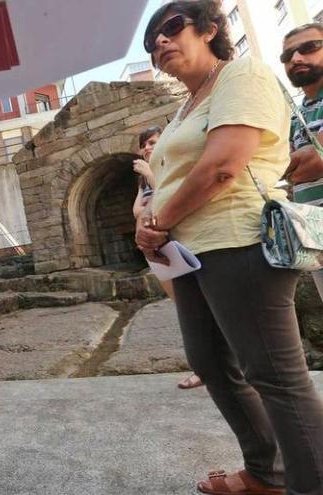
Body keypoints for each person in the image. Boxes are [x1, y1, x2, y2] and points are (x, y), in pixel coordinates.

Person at [136, 2, 323, 494]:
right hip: (192, 251)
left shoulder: (243, 74)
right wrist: (156, 226)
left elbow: (224, 165)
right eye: (151, 40)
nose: (159, 42)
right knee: (212, 363)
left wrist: (159, 223)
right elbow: (173, 176)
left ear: (210, 29)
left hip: (240, 239)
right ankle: (268, 473)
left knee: (277, 377)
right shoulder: (185, 106)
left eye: (171, 28)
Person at [133, 127, 204, 391]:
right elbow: (137, 209)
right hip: (159, 252)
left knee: (202, 306)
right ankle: (203, 367)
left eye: (152, 142)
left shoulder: (167, 167)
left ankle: (214, 367)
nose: (147, 148)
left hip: (179, 244)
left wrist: (150, 177)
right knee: (185, 310)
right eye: (144, 144)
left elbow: (166, 195)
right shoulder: (144, 179)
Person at [281, 22, 323, 302]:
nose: (296, 58)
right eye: (287, 55)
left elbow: (313, 160)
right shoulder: (296, 114)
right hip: (316, 231)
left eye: (308, 48)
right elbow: (281, 167)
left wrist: (295, 165)